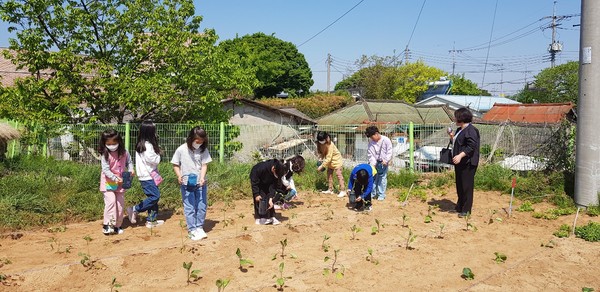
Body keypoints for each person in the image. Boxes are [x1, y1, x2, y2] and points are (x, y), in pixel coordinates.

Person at [171, 126, 212, 241]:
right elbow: (175, 164)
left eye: (202, 141)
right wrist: (179, 176)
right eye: (197, 141)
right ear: (191, 138)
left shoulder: (203, 150)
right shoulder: (181, 149)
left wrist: (202, 178)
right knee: (190, 207)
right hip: (186, 183)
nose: (199, 143)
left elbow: (204, 164)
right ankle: (192, 229)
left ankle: (199, 227)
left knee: (202, 206)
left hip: (200, 183)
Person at [127, 120, 164, 228]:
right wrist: (159, 156)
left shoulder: (143, 144)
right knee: (155, 196)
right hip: (148, 175)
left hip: (147, 174)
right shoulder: (147, 146)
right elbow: (153, 160)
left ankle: (151, 220)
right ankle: (135, 209)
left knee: (152, 198)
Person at [98, 129, 134, 235]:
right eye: (108, 143)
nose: (112, 145)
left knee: (120, 204)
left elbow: (129, 162)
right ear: (104, 143)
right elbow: (105, 169)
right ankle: (107, 225)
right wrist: (115, 178)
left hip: (121, 182)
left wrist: (131, 169)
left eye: (114, 143)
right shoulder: (104, 154)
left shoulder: (124, 152)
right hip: (109, 182)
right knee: (111, 202)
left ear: (119, 141)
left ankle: (117, 225)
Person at [447, 107, 480, 217]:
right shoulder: (460, 129)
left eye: (456, 117)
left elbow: (471, 147)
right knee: (460, 185)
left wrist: (460, 155)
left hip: (468, 163)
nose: (455, 119)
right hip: (459, 162)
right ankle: (460, 206)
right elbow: (458, 143)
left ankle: (466, 210)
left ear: (461, 118)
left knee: (466, 186)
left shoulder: (471, 130)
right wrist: (452, 137)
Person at [250, 159, 287, 225]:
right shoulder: (261, 168)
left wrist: (270, 198)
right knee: (261, 198)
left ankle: (271, 216)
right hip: (257, 180)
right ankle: (259, 218)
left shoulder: (277, 172)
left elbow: (273, 187)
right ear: (273, 169)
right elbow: (254, 182)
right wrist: (256, 194)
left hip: (268, 182)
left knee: (269, 199)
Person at [365, 125, 393, 201]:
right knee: (372, 178)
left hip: (383, 163)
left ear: (376, 133)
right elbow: (370, 153)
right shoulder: (371, 142)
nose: (371, 138)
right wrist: (373, 164)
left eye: (372, 136)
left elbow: (389, 151)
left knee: (382, 178)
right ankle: (373, 193)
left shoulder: (386, 140)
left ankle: (381, 194)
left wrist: (386, 160)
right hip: (374, 163)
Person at [316, 131, 346, 198]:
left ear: (326, 138)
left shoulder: (330, 145)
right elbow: (321, 153)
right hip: (330, 163)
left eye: (322, 140)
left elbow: (329, 158)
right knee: (329, 175)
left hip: (337, 161)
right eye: (319, 141)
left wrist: (322, 166)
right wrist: (320, 158)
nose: (321, 142)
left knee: (339, 175)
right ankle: (330, 189)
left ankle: (343, 191)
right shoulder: (320, 143)